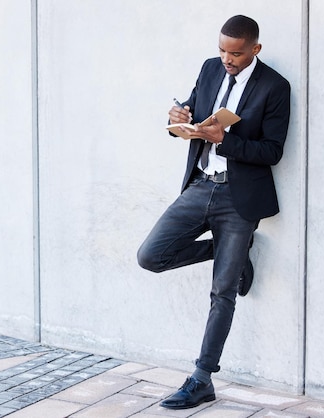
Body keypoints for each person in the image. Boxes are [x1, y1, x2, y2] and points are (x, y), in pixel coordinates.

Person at [137, 15, 291, 409]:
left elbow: (272, 151)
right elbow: (192, 107)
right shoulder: (209, 68)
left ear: (254, 49)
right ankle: (233, 254)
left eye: (235, 53)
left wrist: (226, 140)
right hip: (200, 185)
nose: (226, 58)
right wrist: (179, 117)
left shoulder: (275, 87)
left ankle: (202, 379)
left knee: (222, 292)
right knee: (151, 256)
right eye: (222, 49)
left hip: (238, 200)